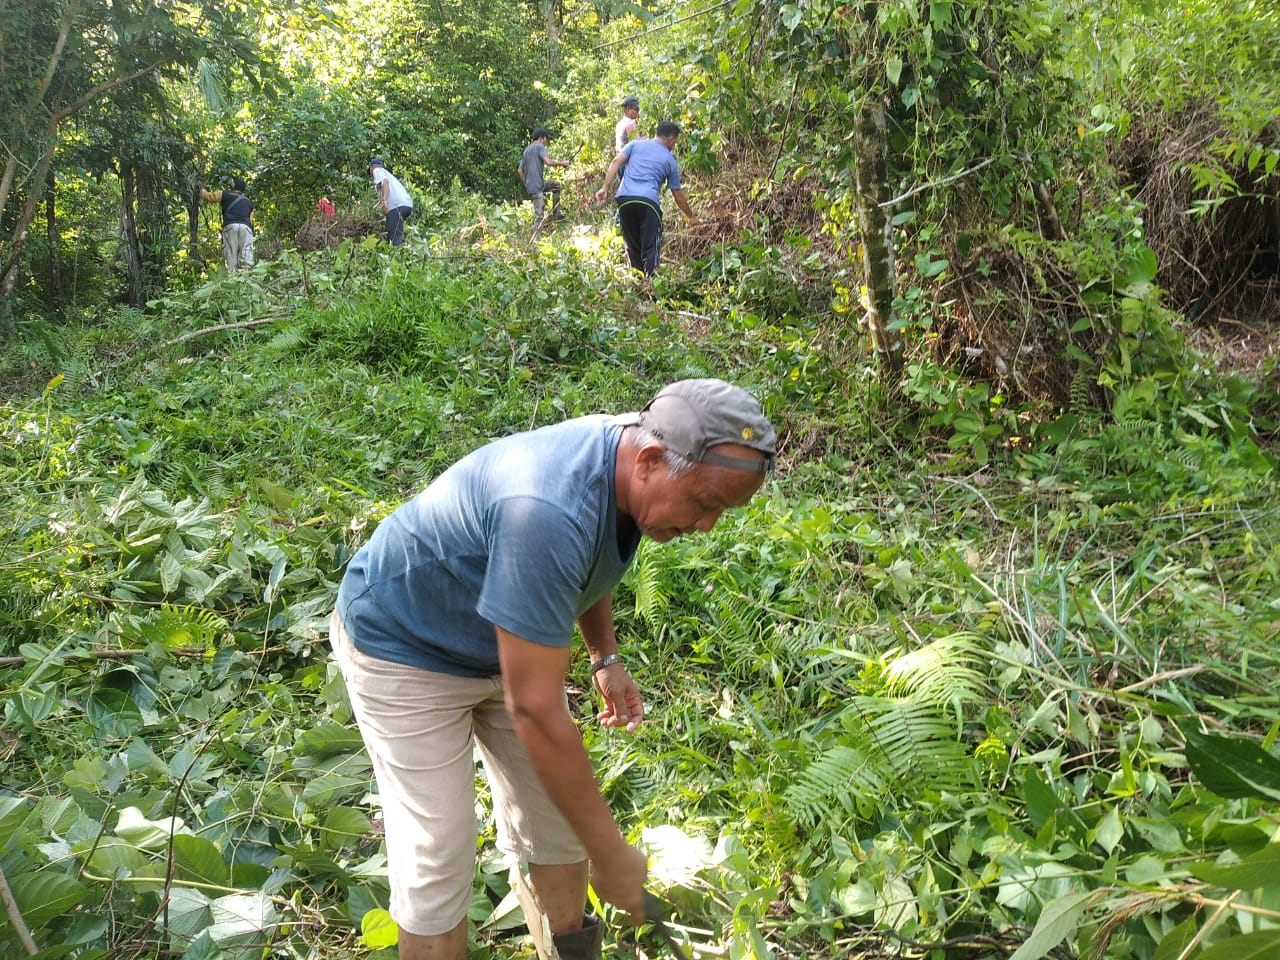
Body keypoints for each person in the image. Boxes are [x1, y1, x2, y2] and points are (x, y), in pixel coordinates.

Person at [330, 379, 777, 960]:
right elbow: (536, 708)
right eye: (704, 503)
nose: (707, 525)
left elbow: (587, 557)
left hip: (504, 639)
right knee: (439, 850)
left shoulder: (633, 463)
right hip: (404, 643)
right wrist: (614, 857)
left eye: (723, 510)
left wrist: (604, 656)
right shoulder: (545, 507)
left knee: (557, 825)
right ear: (646, 461)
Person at [594, 121, 697, 278]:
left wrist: (605, 188)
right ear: (670, 139)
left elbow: (616, 162)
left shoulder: (635, 145)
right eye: (675, 141)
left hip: (625, 199)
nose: (674, 145)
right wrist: (691, 217)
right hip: (648, 202)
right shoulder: (670, 160)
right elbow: (677, 195)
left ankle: (638, 282)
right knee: (650, 245)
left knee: (632, 244)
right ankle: (652, 284)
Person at [519, 128, 571, 238]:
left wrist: (527, 184)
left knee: (556, 185)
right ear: (542, 138)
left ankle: (556, 215)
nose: (545, 143)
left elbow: (520, 171)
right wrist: (563, 163)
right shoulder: (539, 146)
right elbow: (548, 162)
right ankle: (536, 241)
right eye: (545, 140)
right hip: (537, 187)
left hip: (536, 185)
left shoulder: (526, 150)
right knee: (539, 215)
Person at [200, 177, 254, 270]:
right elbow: (251, 219)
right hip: (246, 228)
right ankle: (246, 278)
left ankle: (231, 278)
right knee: (246, 256)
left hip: (230, 226)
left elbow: (210, 197)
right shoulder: (249, 203)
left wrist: (202, 190)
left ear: (232, 186)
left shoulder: (224, 194)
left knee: (231, 256)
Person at [369, 158, 413, 246]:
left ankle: (397, 255)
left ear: (371, 167)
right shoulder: (388, 174)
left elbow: (385, 182)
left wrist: (384, 201)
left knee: (395, 235)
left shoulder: (377, 170)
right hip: (406, 205)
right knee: (394, 231)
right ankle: (402, 252)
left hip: (397, 206)